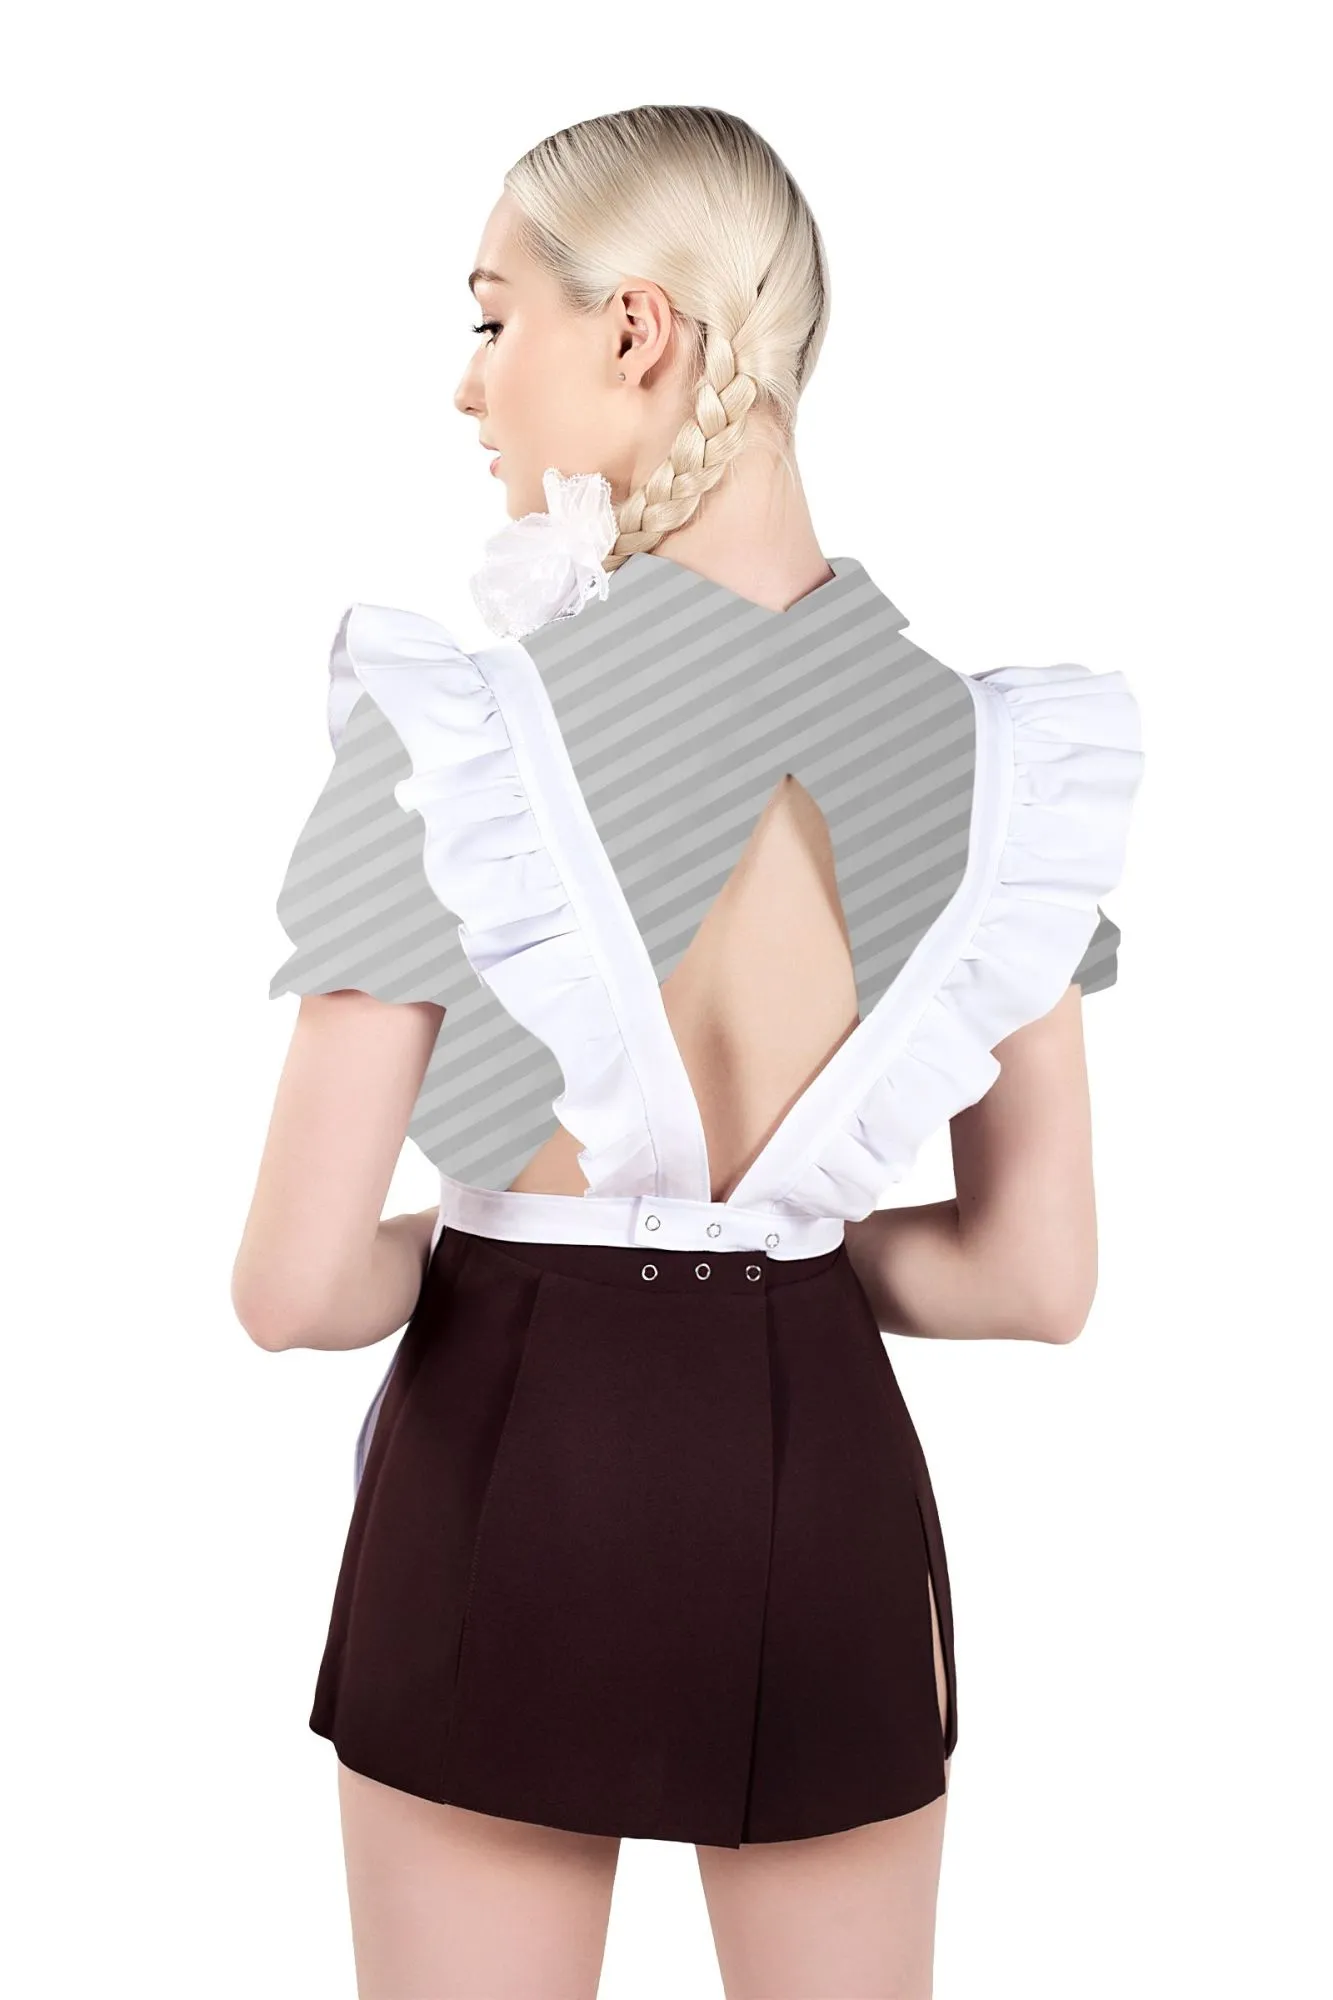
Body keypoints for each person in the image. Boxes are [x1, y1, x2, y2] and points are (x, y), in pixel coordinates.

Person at [232, 104, 1144, 2000]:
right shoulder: (1007, 775)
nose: (467, 383)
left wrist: (493, 1258)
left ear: (635, 329)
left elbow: (298, 1288)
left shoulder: (452, 737)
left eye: (494, 318)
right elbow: (1034, 1281)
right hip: (825, 1495)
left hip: (511, 1483)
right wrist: (766, 1268)